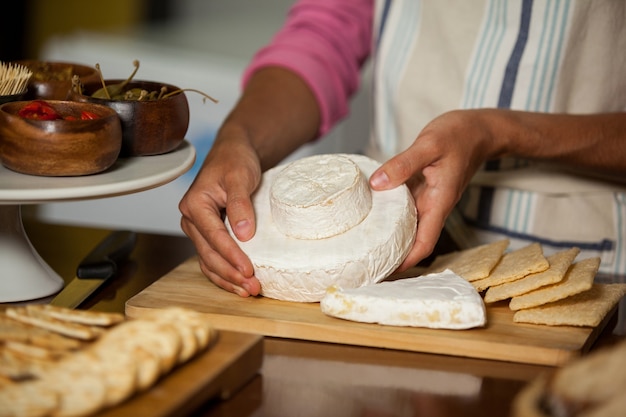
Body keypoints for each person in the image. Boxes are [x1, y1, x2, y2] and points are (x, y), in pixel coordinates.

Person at [179, 0, 626, 298]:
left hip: (580, 255)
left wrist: (497, 131)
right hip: (388, 226)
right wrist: (240, 137)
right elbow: (326, 32)